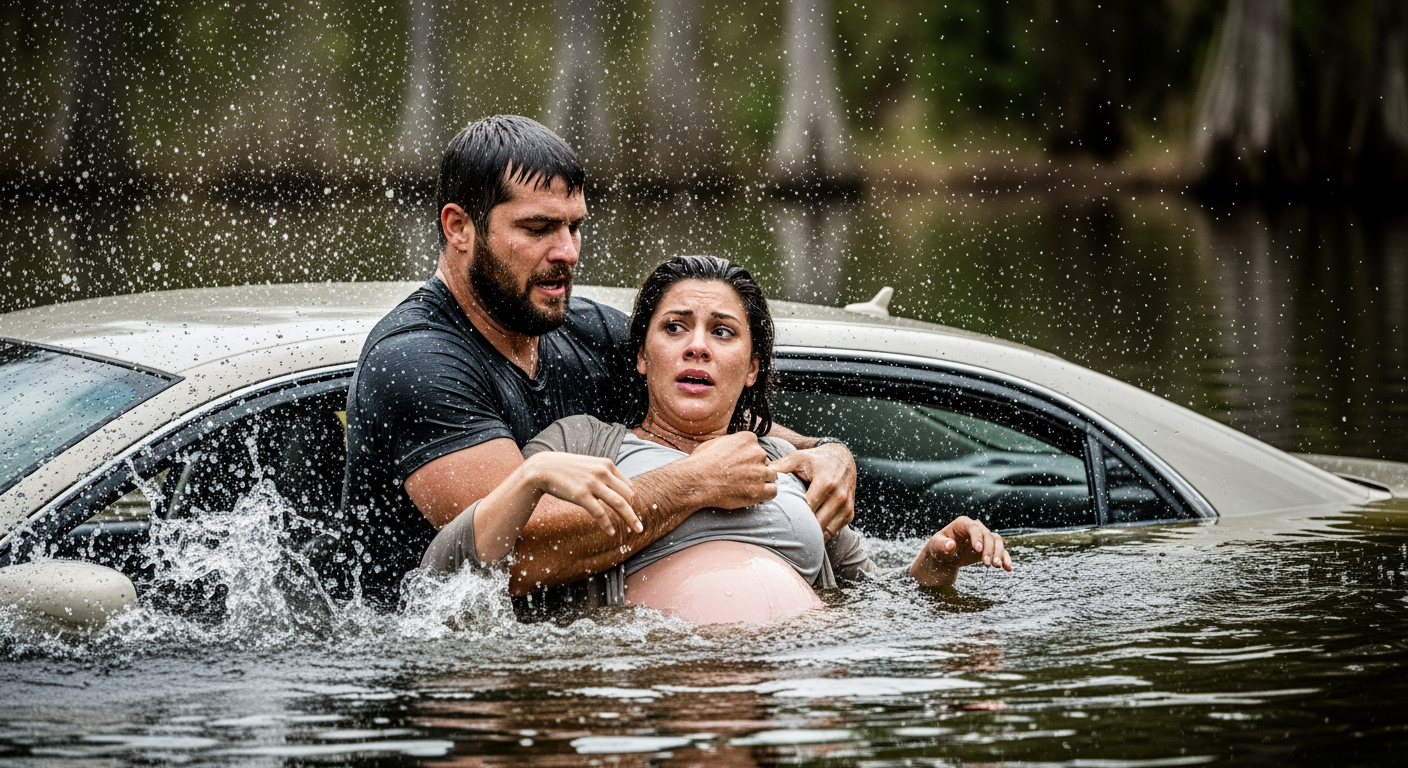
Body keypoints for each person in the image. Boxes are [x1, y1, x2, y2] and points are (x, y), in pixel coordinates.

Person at [337, 116, 856, 609]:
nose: (566, 251)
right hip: (426, 669)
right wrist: (695, 484)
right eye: (538, 228)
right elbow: (517, 558)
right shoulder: (415, 361)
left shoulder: (583, 328)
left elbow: (709, 400)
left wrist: (827, 453)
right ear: (460, 228)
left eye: (574, 227)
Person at [422, 255, 1014, 624]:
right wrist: (696, 482)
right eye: (675, 327)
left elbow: (875, 602)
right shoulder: (583, 445)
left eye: (723, 332)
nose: (697, 345)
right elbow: (460, 579)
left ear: (752, 367)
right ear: (640, 357)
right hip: (655, 694)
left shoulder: (785, 461)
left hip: (793, 695)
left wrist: (935, 569)